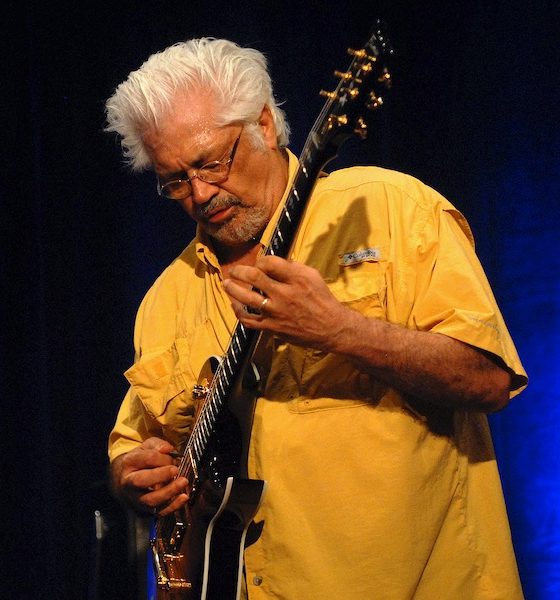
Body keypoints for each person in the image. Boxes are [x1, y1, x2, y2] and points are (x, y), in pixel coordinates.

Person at [104, 37, 528, 599]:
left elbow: (489, 379)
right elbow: (136, 442)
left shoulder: (391, 208)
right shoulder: (166, 297)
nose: (201, 193)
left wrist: (340, 330)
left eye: (211, 162)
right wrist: (133, 476)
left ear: (264, 125)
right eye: (176, 179)